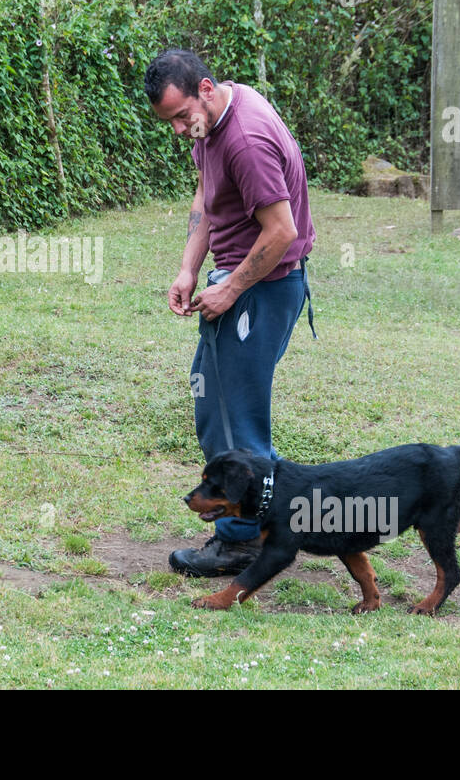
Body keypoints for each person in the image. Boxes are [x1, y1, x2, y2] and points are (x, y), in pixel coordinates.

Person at [144, 49, 316, 577]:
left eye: (180, 116)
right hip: (236, 285)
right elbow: (207, 196)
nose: (177, 129)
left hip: (262, 291)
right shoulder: (211, 123)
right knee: (212, 401)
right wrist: (189, 268)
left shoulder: (244, 139)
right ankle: (263, 526)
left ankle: (243, 541)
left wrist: (232, 289)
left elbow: (282, 232)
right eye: (167, 121)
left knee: (237, 422)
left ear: (206, 87)